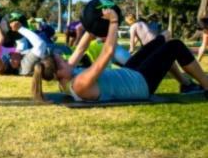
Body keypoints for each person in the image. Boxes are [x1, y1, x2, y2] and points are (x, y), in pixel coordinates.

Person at [31, 8, 208, 102]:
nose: (66, 61)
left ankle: (185, 84)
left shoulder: (65, 77)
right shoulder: (79, 84)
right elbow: (107, 52)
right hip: (139, 85)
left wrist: (92, 27)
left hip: (129, 73)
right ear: (57, 74)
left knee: (160, 42)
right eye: (62, 62)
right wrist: (113, 21)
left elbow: (80, 48)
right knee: (174, 46)